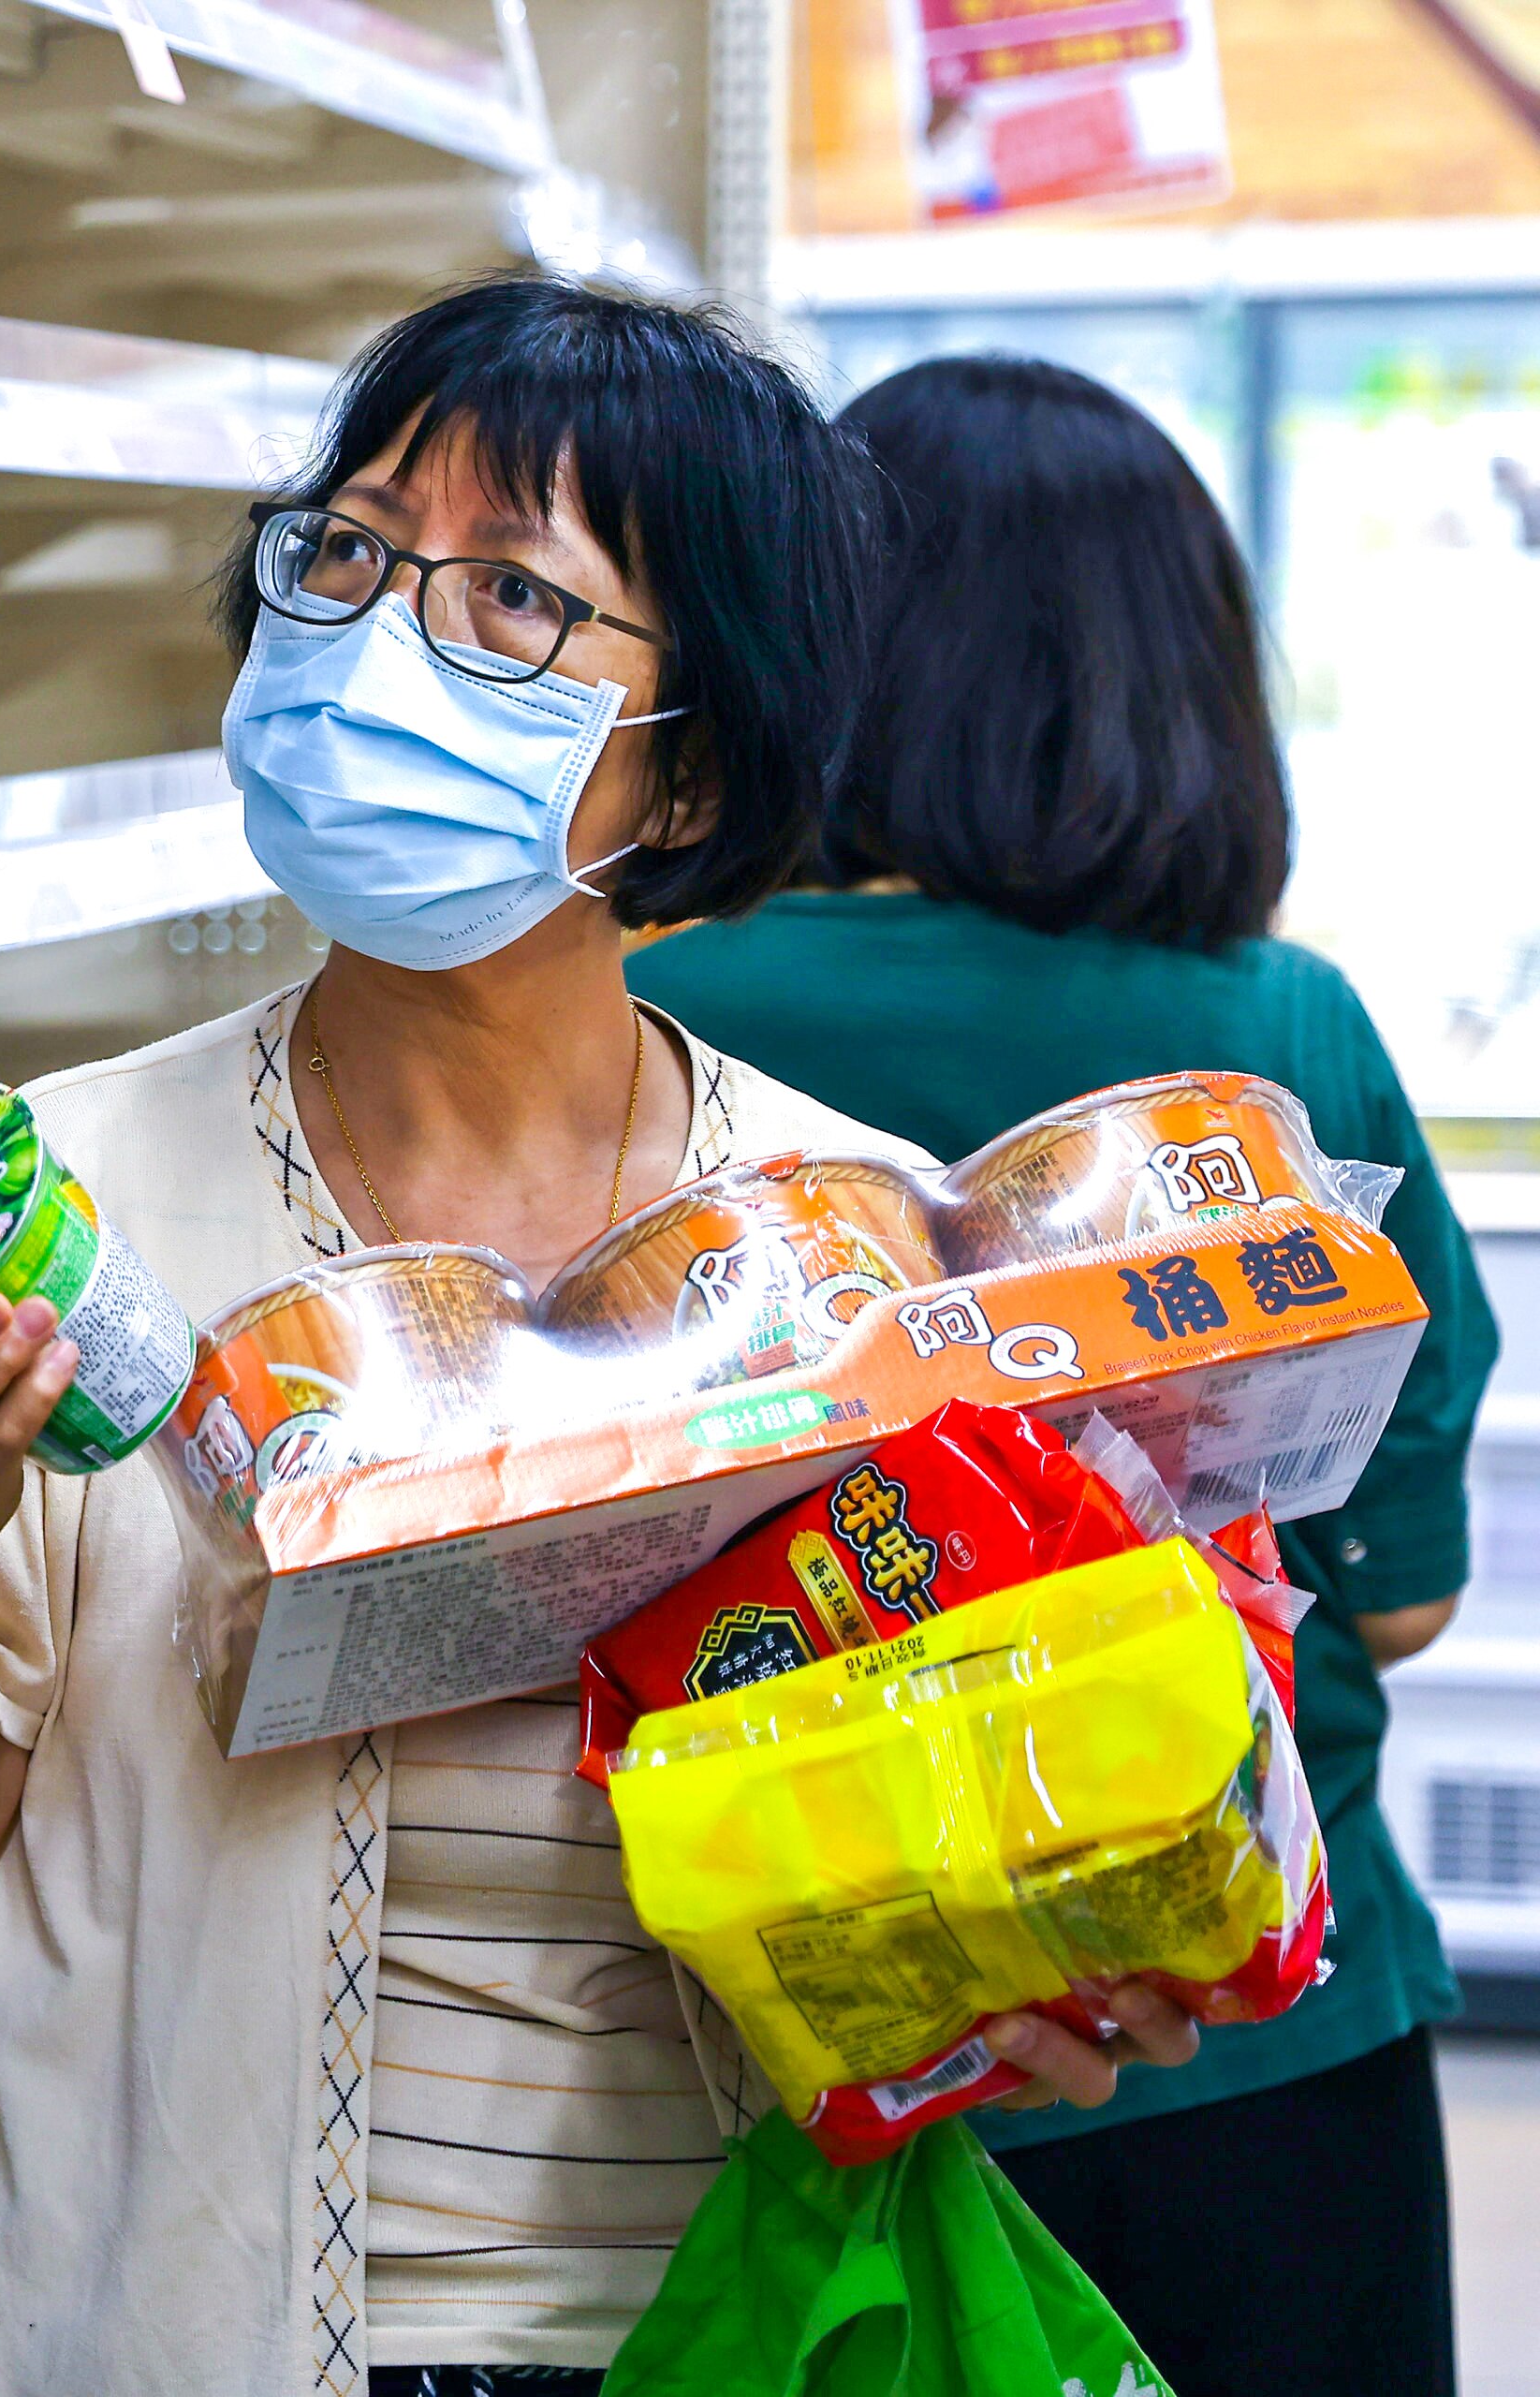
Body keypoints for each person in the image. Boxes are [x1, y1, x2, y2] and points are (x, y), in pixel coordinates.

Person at [0, 283, 1197, 2397]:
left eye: (514, 594)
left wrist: (1038, 1954)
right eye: (345, 555)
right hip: (191, 2334)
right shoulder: (73, 1202)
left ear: (689, 762)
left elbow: (936, 1863)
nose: (378, 638)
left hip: (724, 2339)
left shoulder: (864, 1248)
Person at [632, 352, 1491, 2397]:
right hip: (1254, 2014)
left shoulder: (649, 1005)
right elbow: (1402, 1590)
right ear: (1175, 683)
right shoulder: (1281, 1034)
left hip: (777, 2029)